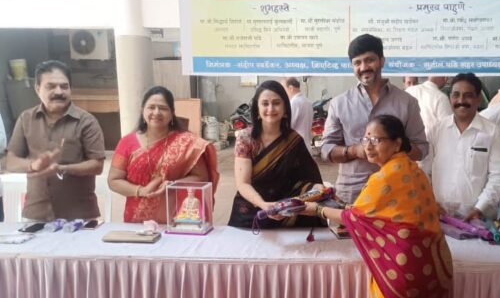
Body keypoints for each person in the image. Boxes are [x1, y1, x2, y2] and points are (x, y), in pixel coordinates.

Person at [304, 114, 452, 298]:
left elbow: (355, 218)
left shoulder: (387, 177)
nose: (369, 145)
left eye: (376, 139)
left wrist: (318, 209)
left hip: (402, 280)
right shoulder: (412, 171)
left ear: (397, 144)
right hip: (431, 275)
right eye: (366, 139)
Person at [321, 34, 429, 203]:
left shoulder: (407, 102)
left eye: (369, 60)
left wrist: (393, 147)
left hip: (396, 194)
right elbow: (326, 149)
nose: (364, 67)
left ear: (382, 60)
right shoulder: (339, 103)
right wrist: (353, 151)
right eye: (357, 63)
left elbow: (422, 149)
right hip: (352, 196)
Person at [6, 60, 105, 221]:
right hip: (36, 214)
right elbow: (10, 162)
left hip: (79, 216)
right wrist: (33, 165)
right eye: (50, 86)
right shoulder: (26, 119)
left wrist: (62, 168)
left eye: (64, 86)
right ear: (37, 89)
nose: (59, 91)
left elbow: (97, 165)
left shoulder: (86, 121)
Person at [108, 86, 219, 223]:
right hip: (137, 222)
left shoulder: (188, 143)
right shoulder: (127, 142)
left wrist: (173, 185)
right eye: (151, 107)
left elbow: (201, 177)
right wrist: (140, 191)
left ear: (172, 113)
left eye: (163, 108)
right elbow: (113, 180)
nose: (156, 112)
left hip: (177, 220)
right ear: (142, 110)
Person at [228, 80, 324, 228]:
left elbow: (311, 180)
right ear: (257, 109)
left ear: (285, 108)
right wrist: (264, 205)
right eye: (265, 103)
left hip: (286, 215)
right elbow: (243, 183)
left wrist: (318, 190)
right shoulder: (245, 139)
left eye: (276, 103)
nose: (271, 108)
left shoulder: (294, 140)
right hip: (251, 213)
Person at [423, 73, 500, 220]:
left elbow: (498, 176)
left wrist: (479, 208)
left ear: (478, 99)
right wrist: (430, 202)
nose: (461, 101)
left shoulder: (492, 131)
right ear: (450, 98)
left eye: (468, 95)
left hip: (478, 218)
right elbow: (424, 171)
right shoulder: (436, 130)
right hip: (440, 215)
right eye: (456, 95)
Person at [281, 77, 314, 148]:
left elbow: (288, 126)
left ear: (290, 88)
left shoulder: (294, 102)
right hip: (306, 144)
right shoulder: (307, 101)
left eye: (284, 90)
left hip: (296, 145)